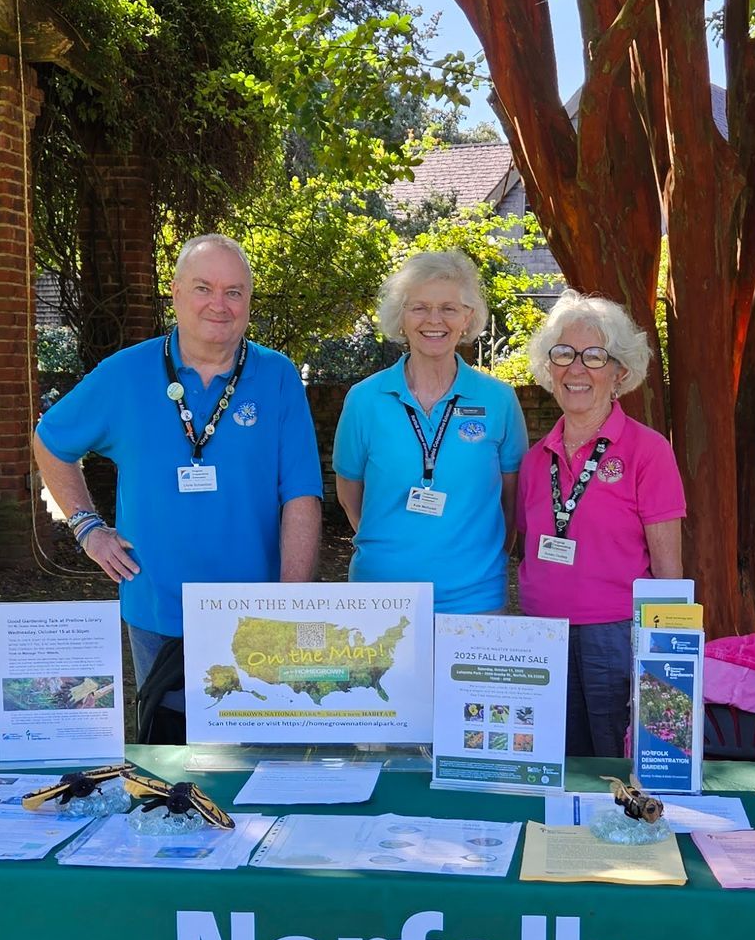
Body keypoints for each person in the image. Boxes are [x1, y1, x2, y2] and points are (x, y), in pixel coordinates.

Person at [31, 234, 324, 701]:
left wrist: (290, 605)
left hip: (255, 614)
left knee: (251, 739)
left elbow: (301, 494)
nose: (219, 304)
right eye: (204, 288)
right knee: (166, 741)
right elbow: (50, 441)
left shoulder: (277, 376)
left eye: (234, 292)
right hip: (157, 608)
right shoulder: (126, 373)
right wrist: (87, 528)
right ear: (176, 292)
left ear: (249, 300)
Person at [516, 293, 686, 760]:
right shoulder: (535, 460)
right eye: (564, 354)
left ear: (619, 373)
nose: (576, 368)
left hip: (614, 636)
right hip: (541, 635)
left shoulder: (648, 451)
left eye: (594, 356)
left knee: (615, 762)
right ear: (549, 367)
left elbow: (669, 570)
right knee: (554, 763)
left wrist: (665, 657)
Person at [332, 248, 527, 614]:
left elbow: (512, 502)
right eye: (419, 307)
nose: (434, 320)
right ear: (401, 317)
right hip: (380, 598)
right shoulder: (364, 400)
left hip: (475, 600)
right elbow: (349, 495)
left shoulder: (499, 400)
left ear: (468, 317)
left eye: (449, 308)